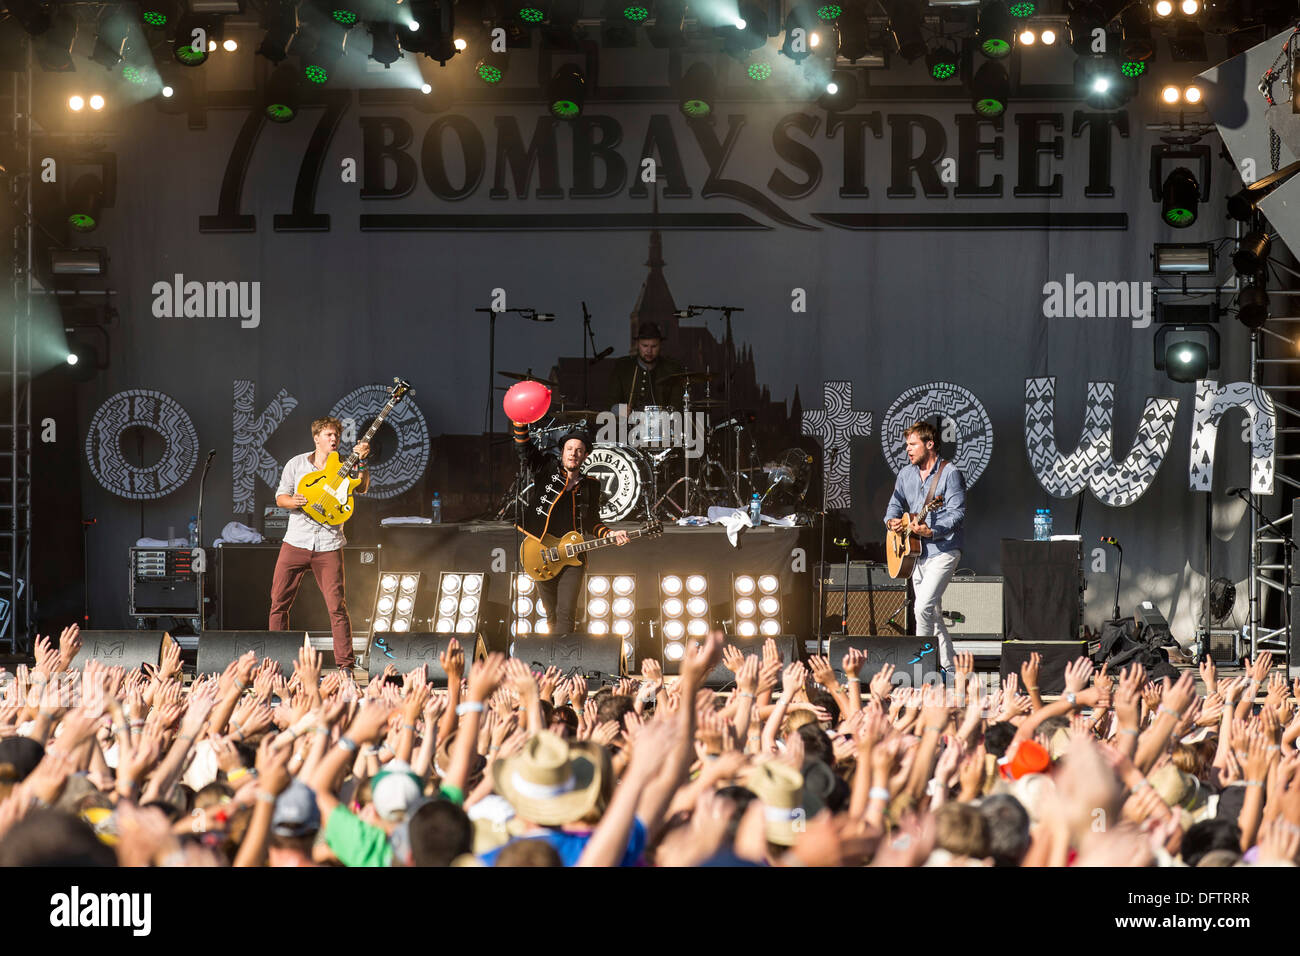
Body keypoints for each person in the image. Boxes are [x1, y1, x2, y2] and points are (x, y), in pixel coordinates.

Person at [269, 417, 370, 674]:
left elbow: (363, 487)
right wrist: (292, 502)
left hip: (328, 543)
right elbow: (281, 497)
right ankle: (277, 665)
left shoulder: (344, 465)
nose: (334, 439)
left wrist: (363, 461)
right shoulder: (297, 464)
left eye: (336, 435)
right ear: (316, 438)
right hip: (296, 541)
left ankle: (346, 666)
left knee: (337, 607)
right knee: (279, 602)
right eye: (328, 434)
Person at [512, 423, 628, 634]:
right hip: (541, 552)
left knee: (566, 613)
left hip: (573, 556)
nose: (573, 454)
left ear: (585, 456)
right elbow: (525, 450)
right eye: (569, 449)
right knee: (550, 614)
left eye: (579, 450)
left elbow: (593, 521)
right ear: (562, 452)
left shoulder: (590, 485)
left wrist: (610, 534)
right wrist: (519, 424)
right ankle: (552, 661)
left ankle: (561, 664)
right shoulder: (546, 468)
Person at [884, 420, 966, 675]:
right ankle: (951, 670)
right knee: (933, 613)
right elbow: (894, 505)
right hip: (915, 553)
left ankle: (921, 671)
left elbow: (957, 513)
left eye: (912, 444)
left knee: (922, 608)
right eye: (906, 445)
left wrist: (931, 530)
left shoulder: (950, 473)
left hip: (943, 551)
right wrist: (892, 522)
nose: (907, 450)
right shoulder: (906, 474)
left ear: (930, 444)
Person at [606, 322, 687, 413]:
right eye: (644, 346)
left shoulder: (672, 369)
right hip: (627, 424)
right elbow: (610, 402)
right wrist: (620, 410)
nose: (649, 351)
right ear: (637, 344)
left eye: (654, 346)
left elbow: (677, 406)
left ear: (660, 345)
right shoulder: (622, 367)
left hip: (662, 424)